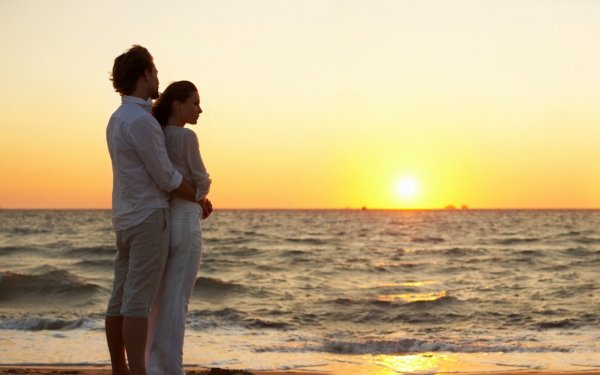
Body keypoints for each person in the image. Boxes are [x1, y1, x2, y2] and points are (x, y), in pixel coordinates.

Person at [105, 45, 207, 375]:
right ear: (145, 74)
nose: (159, 77)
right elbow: (165, 176)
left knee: (119, 299)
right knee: (137, 302)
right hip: (149, 218)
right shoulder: (143, 123)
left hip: (123, 217)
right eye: (155, 71)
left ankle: (119, 369)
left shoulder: (117, 119)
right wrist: (197, 197)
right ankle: (137, 371)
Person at [146, 81, 212, 375]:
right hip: (186, 220)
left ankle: (154, 365)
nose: (200, 109)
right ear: (178, 104)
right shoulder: (187, 137)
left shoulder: (157, 134)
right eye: (195, 103)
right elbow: (201, 180)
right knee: (178, 301)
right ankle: (171, 369)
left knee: (161, 299)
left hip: (166, 220)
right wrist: (203, 194)